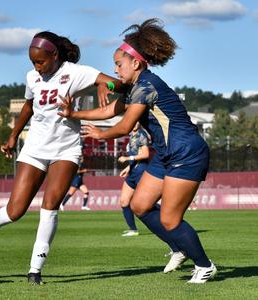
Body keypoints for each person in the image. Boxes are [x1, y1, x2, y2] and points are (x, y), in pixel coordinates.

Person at [0, 31, 123, 285]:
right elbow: (28, 106)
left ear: (54, 55)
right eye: (33, 62)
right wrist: (13, 135)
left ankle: (35, 270)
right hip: (34, 148)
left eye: (41, 62)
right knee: (15, 210)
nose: (37, 67)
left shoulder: (74, 72)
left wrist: (104, 84)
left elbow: (118, 84)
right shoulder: (32, 77)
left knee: (50, 207)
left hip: (66, 150)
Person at [59, 19, 216, 283]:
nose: (115, 69)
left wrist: (100, 133)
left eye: (118, 64)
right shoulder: (136, 87)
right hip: (167, 154)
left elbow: (124, 126)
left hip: (186, 153)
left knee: (170, 219)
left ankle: (205, 265)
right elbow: (110, 110)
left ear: (136, 63)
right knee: (140, 205)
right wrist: (74, 113)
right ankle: (179, 247)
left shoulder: (146, 86)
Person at [117, 123, 150, 237]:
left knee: (145, 204)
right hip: (132, 172)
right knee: (124, 201)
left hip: (141, 172)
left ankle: (167, 222)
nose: (135, 123)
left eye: (137, 121)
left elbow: (145, 154)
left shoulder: (142, 135)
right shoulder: (131, 134)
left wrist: (127, 158)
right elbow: (137, 154)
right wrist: (128, 168)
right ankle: (133, 230)